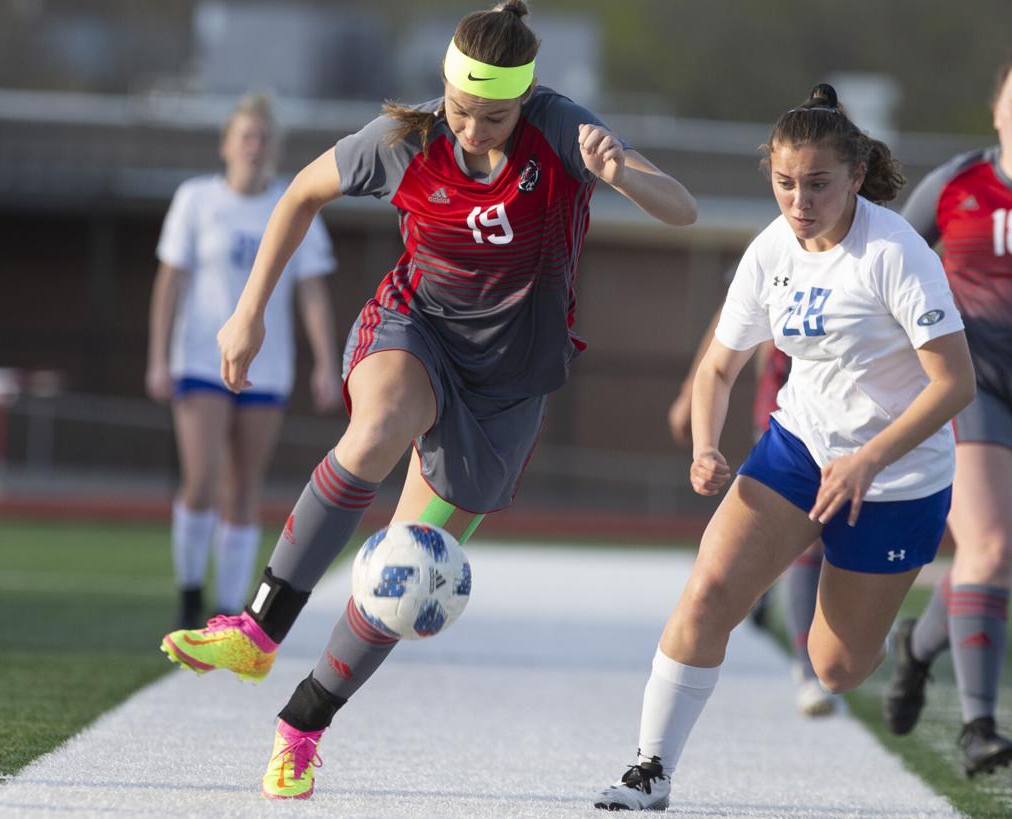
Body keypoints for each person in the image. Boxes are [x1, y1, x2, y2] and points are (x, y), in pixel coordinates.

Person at [159, 1, 697, 801]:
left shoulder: (558, 133)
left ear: (528, 98)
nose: (474, 129)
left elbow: (681, 208)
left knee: (403, 572)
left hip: (509, 382)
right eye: (460, 109)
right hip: (419, 327)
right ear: (442, 89)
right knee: (375, 426)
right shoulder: (404, 144)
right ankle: (259, 628)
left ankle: (301, 726)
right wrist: (248, 310)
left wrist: (622, 172)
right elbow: (300, 195)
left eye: (494, 115)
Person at [595, 82, 975, 811]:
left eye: (818, 184)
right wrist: (706, 445)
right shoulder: (771, 249)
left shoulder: (893, 252)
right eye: (785, 184)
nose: (799, 201)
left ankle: (884, 626)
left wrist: (870, 459)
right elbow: (718, 367)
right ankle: (650, 768)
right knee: (707, 593)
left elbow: (954, 384)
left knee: (833, 668)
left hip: (896, 477)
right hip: (798, 448)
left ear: (857, 176)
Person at [146, 94, 341, 629]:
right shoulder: (196, 200)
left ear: (274, 149)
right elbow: (170, 281)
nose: (255, 147)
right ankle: (189, 591)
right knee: (202, 479)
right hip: (200, 361)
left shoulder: (293, 202)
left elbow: (312, 291)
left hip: (267, 364)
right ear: (227, 145)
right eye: (246, 137)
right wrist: (158, 357)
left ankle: (226, 608)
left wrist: (326, 362)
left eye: (264, 138)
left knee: (243, 485)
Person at [883, 60, 1012, 776]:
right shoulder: (959, 186)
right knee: (989, 547)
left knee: (990, 564)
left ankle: (917, 645)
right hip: (975, 387)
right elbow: (886, 265)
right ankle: (979, 728)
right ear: (997, 109)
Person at [669, 316, 838, 719]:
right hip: (787, 408)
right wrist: (690, 391)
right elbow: (729, 320)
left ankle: (764, 589)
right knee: (807, 525)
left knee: (820, 530)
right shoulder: (776, 253)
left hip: (855, 411)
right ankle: (805, 666)